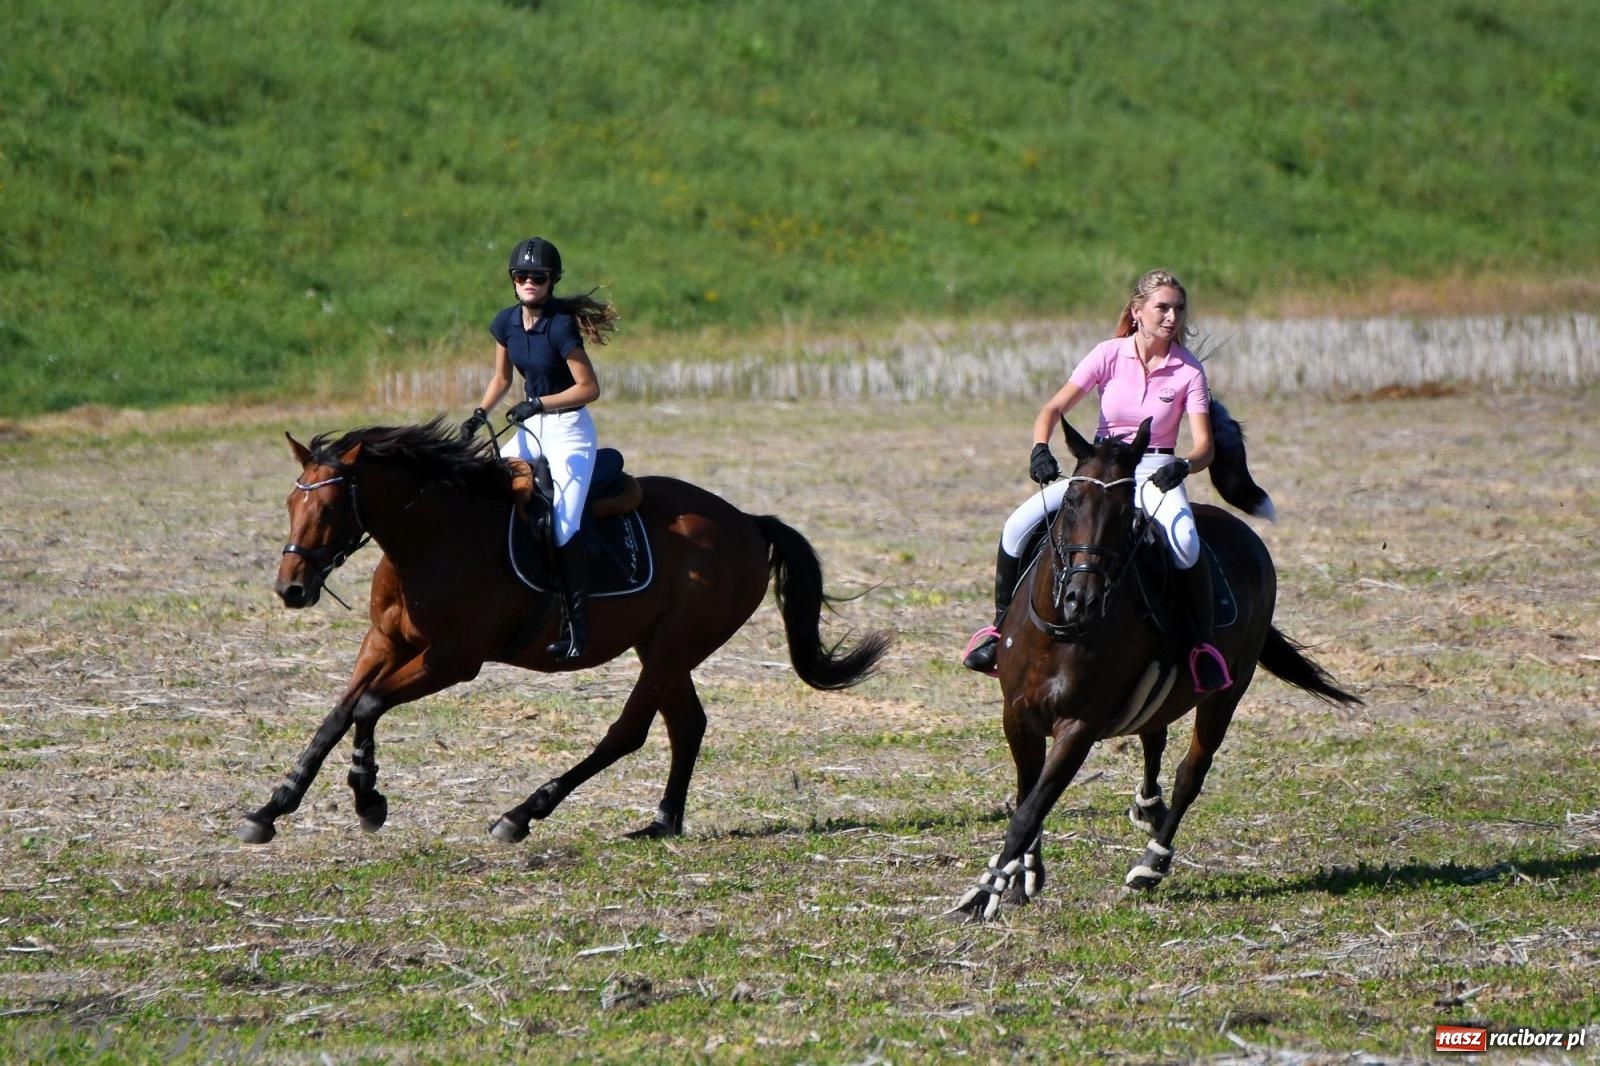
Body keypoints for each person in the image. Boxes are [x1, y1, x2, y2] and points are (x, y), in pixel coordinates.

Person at [961, 269, 1232, 692]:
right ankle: (997, 632)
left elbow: (1205, 447)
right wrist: (1040, 448)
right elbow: (1052, 410)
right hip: (1100, 468)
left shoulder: (1188, 371)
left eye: (1178, 309)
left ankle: (1200, 646)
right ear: (1137, 310)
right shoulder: (1107, 354)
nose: (1171, 316)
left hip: (1154, 470)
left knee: (1185, 542)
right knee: (1016, 525)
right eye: (1162, 307)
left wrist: (1184, 465)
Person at [459, 236, 617, 661]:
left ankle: (576, 629)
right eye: (522, 276)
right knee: (480, 487)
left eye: (538, 277)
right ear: (513, 280)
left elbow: (589, 388)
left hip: (569, 430)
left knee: (565, 526)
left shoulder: (561, 327)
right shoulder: (505, 322)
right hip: (530, 428)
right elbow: (502, 379)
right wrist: (479, 414)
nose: (529, 282)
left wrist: (539, 403)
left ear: (552, 281)